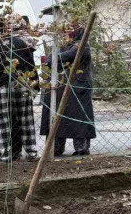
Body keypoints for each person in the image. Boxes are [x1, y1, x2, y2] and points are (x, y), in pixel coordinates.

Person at [0, 15, 38, 164]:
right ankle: (31, 151)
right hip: (22, 84)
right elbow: (31, 65)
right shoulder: (21, 42)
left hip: (1, 87)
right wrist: (35, 86)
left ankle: (5, 155)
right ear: (6, 27)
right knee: (26, 119)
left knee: (4, 122)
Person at [41, 27, 96, 156]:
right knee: (58, 117)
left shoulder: (83, 45)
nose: (67, 35)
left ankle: (81, 148)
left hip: (79, 88)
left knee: (79, 118)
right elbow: (50, 61)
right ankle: (56, 148)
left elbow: (69, 56)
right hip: (62, 87)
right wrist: (56, 59)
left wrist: (56, 59)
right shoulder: (64, 46)